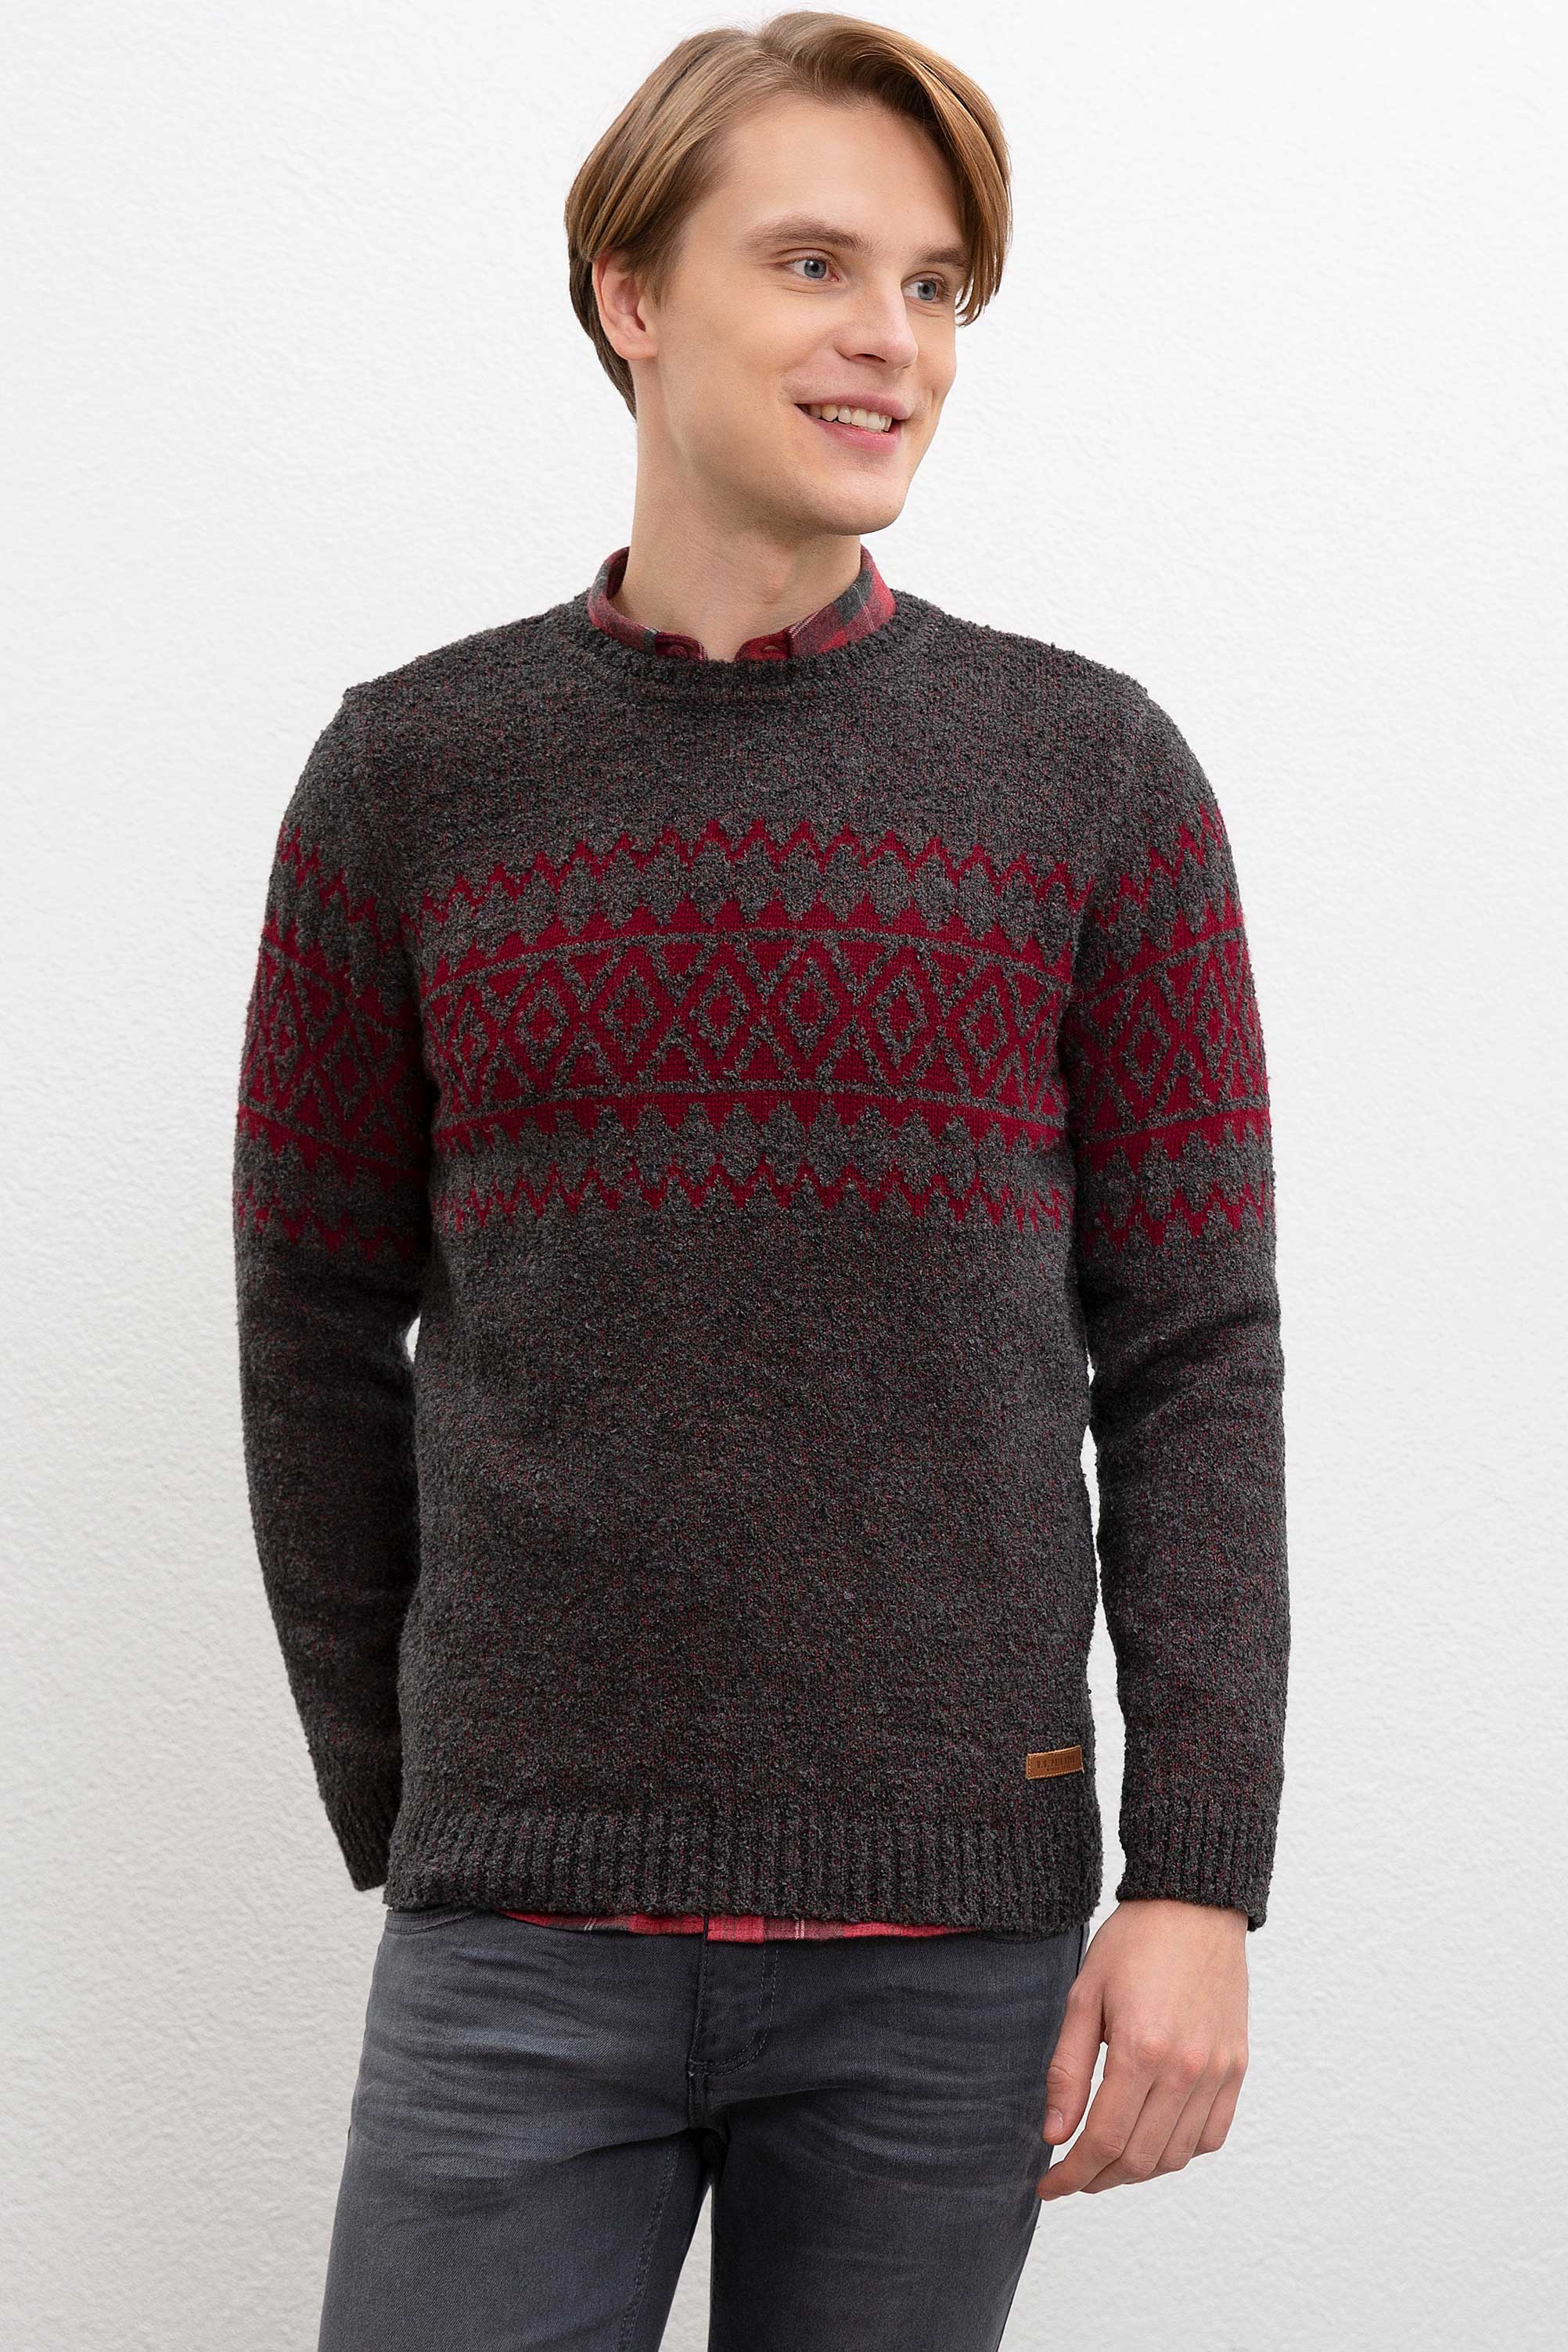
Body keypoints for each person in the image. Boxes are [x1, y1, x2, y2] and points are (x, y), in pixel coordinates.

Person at [231, 12, 1289, 2347]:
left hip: (952, 1944)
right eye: (815, 264)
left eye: (934, 287)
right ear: (631, 292)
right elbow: (306, 1320)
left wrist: (1198, 1873)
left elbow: (1196, 1349)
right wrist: (424, 1800)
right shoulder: (411, 777)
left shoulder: (1087, 776)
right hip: (519, 1937)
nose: (889, 339)